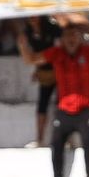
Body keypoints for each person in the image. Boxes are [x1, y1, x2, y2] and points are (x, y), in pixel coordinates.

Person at [20, 24, 89, 177]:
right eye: (67, 35)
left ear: (80, 38)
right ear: (62, 39)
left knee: (88, 142)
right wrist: (22, 44)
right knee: (56, 143)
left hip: (88, 108)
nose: (71, 39)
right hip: (64, 109)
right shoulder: (56, 53)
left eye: (74, 35)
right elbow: (31, 59)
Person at [19, 16, 61, 147]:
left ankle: (65, 139)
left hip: (60, 70)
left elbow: (60, 49)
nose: (32, 18)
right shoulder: (28, 33)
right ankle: (40, 139)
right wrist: (37, 68)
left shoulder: (53, 28)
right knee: (42, 104)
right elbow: (34, 55)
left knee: (62, 104)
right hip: (44, 71)